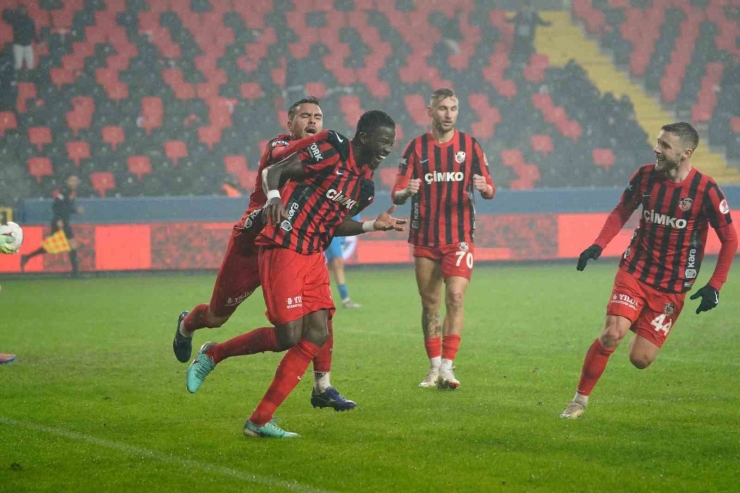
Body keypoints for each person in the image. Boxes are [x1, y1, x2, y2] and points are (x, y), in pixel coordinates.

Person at [188, 110, 402, 438]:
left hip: (312, 253)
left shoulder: (365, 188)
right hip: (285, 244)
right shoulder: (333, 150)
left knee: (317, 332)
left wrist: (373, 225)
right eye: (383, 141)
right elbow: (276, 170)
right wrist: (274, 197)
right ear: (364, 136)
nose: (388, 148)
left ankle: (259, 421)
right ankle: (214, 353)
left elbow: (333, 223)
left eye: (392, 143)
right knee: (287, 335)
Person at [561, 122, 738, 419]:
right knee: (612, 334)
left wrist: (715, 285)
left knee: (640, 359)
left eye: (665, 145)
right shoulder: (644, 176)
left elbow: (730, 238)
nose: (657, 149)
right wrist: (599, 244)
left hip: (672, 285)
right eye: (658, 142)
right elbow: (622, 210)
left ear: (685, 153)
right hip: (636, 270)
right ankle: (579, 401)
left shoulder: (706, 190)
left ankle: (636, 317)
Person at [392, 88, 495, 390]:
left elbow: (490, 188)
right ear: (430, 111)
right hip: (425, 238)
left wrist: (484, 186)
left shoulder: (470, 146)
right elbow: (397, 192)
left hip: (459, 237)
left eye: (453, 108)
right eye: (442, 109)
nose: (448, 114)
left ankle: (448, 367)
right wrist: (406, 191)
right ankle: (433, 367)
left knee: (456, 297)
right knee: (430, 306)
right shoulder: (416, 149)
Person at [21, 175, 84, 277]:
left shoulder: (70, 193)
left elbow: (66, 207)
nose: (75, 182)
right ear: (67, 181)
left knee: (52, 247)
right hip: (60, 222)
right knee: (73, 245)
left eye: (76, 180)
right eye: (72, 180)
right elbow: (56, 205)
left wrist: (76, 211)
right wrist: (59, 219)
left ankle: (27, 257)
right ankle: (75, 273)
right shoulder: (64, 191)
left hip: (63, 221)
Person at [325, 226, 361, 309]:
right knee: (338, 262)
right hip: (331, 230)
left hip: (339, 232)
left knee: (331, 265)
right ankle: (345, 300)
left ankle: (320, 297)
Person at [2, 5, 38, 72]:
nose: (22, 11)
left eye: (24, 10)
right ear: (18, 11)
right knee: (18, 65)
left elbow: (33, 32)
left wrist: (37, 40)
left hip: (28, 45)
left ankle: (30, 78)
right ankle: (17, 78)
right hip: (18, 45)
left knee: (31, 64)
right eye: (21, 10)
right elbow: (6, 17)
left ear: (26, 10)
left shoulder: (30, 21)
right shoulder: (15, 19)